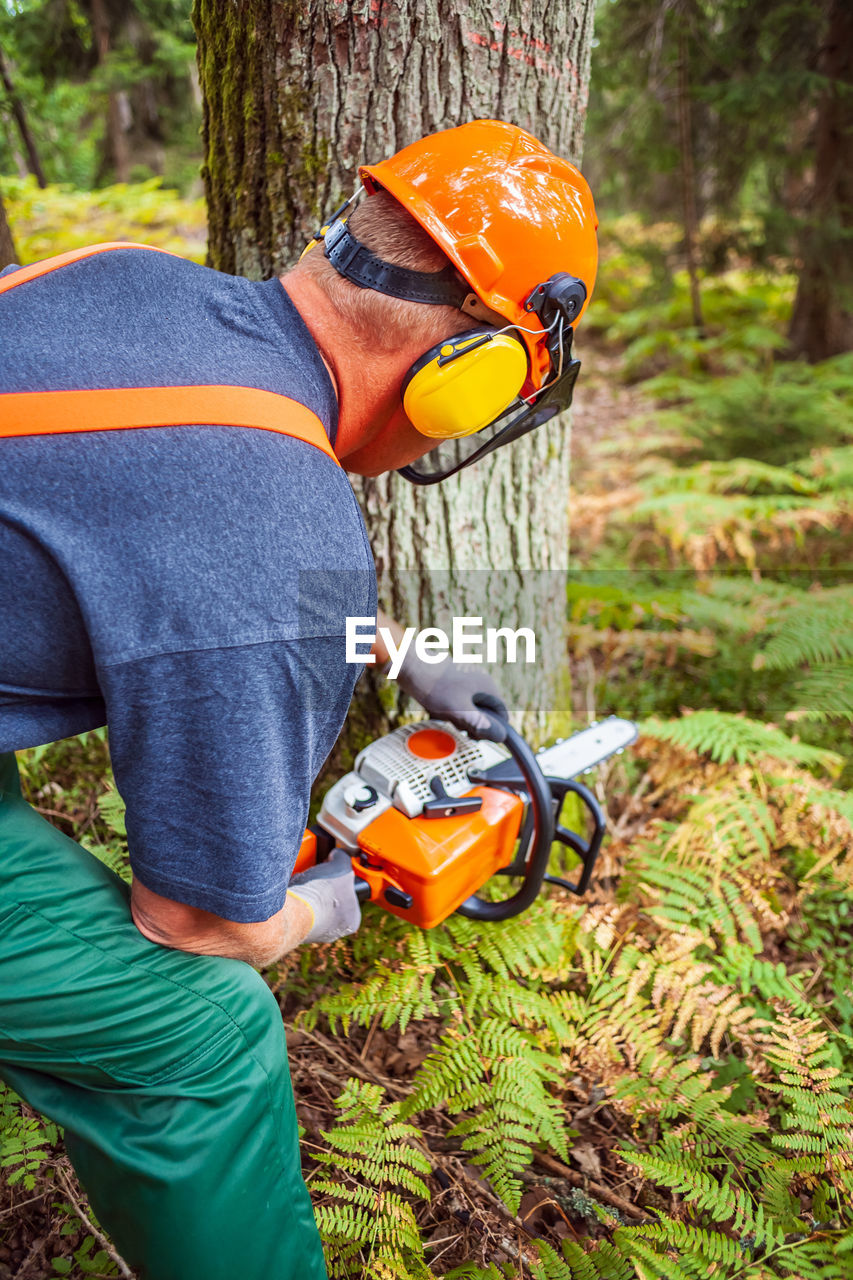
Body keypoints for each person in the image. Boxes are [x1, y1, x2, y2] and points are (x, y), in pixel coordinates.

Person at [0, 119, 597, 1278]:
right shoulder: (277, 522)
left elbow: (143, 513)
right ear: (465, 372)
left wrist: (389, 644)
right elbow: (199, 921)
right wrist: (327, 903)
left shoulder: (123, 279)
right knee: (206, 1027)